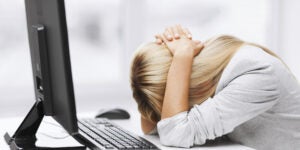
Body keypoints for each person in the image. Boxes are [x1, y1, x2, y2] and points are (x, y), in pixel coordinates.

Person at [130, 25, 300, 150]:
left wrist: (181, 58)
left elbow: (174, 133)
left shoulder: (256, 74)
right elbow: (153, 128)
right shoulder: (211, 66)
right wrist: (158, 59)